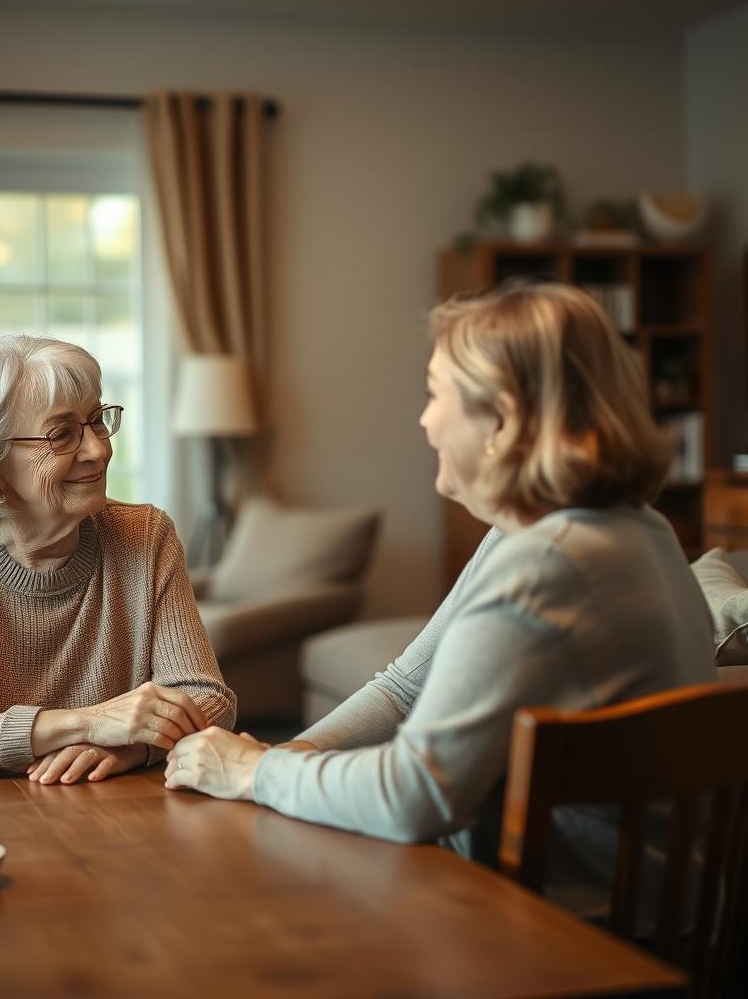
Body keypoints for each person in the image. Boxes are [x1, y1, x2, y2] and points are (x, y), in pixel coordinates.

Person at [164, 281, 715, 919]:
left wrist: (253, 775)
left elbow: (415, 793)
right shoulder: (625, 527)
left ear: (501, 420)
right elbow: (405, 685)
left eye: (434, 394)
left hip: (557, 931)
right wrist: (287, 757)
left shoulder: (544, 564)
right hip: (627, 911)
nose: (424, 420)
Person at [0, 335, 235, 781]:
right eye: (62, 434)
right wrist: (88, 723)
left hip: (102, 818)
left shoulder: (146, 537)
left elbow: (209, 699)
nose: (99, 450)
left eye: (96, 421)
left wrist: (130, 746)